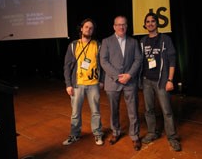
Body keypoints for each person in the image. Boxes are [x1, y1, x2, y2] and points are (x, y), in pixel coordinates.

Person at [99, 15, 143, 151]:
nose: (121, 27)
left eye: (124, 24)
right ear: (114, 26)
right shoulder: (106, 41)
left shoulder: (133, 42)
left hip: (130, 81)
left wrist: (129, 75)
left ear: (127, 26)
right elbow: (104, 61)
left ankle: (135, 136)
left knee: (133, 111)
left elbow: (138, 60)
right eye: (118, 24)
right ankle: (116, 132)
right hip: (113, 82)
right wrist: (118, 77)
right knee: (114, 110)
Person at [139, 12, 181, 151]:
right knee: (149, 110)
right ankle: (152, 133)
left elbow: (172, 60)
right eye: (148, 22)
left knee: (167, 111)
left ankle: (172, 137)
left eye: (153, 21)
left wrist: (170, 79)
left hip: (162, 81)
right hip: (146, 81)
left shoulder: (165, 39)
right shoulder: (143, 41)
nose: (150, 23)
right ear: (145, 25)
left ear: (157, 23)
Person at [63, 18, 104, 146]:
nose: (88, 29)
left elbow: (102, 65)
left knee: (96, 111)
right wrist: (68, 84)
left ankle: (97, 134)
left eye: (91, 28)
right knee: (75, 113)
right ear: (81, 29)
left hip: (93, 84)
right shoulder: (73, 45)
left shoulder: (98, 45)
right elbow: (67, 66)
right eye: (86, 27)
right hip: (77, 85)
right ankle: (74, 135)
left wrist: (101, 81)